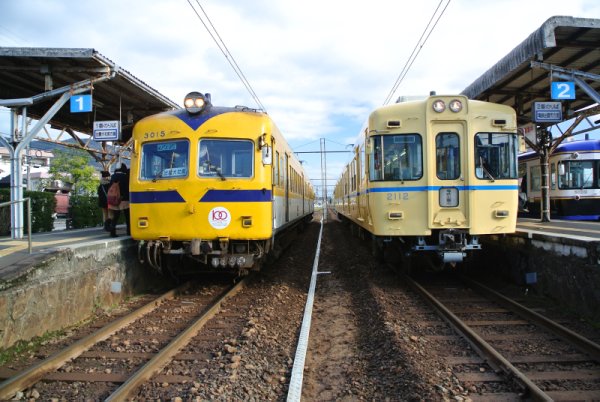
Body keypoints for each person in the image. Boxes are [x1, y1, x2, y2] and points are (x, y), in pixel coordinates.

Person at [108, 163, 131, 237]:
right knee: (127, 216)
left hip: (114, 199)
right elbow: (126, 188)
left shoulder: (113, 176)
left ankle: (112, 232)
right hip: (124, 199)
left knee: (115, 217)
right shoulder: (125, 176)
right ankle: (129, 231)